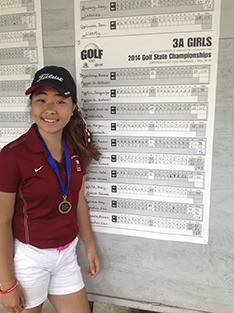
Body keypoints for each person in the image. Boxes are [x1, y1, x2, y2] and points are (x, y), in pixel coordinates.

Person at [0, 65, 101, 313]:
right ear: (32, 106)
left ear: (73, 106)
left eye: (60, 101)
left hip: (66, 256)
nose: (50, 109)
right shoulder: (13, 155)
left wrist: (90, 245)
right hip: (30, 258)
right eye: (41, 100)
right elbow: (2, 221)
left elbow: (77, 200)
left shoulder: (75, 149)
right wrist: (6, 284)